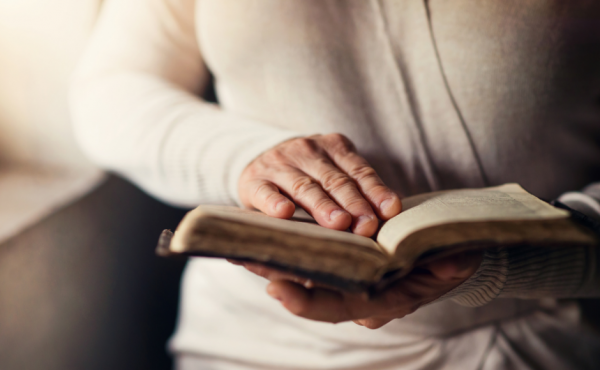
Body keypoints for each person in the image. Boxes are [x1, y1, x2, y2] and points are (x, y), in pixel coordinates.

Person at [70, 0, 600, 368]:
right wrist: (246, 157)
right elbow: (112, 89)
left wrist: (507, 262)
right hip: (249, 344)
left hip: (530, 348)